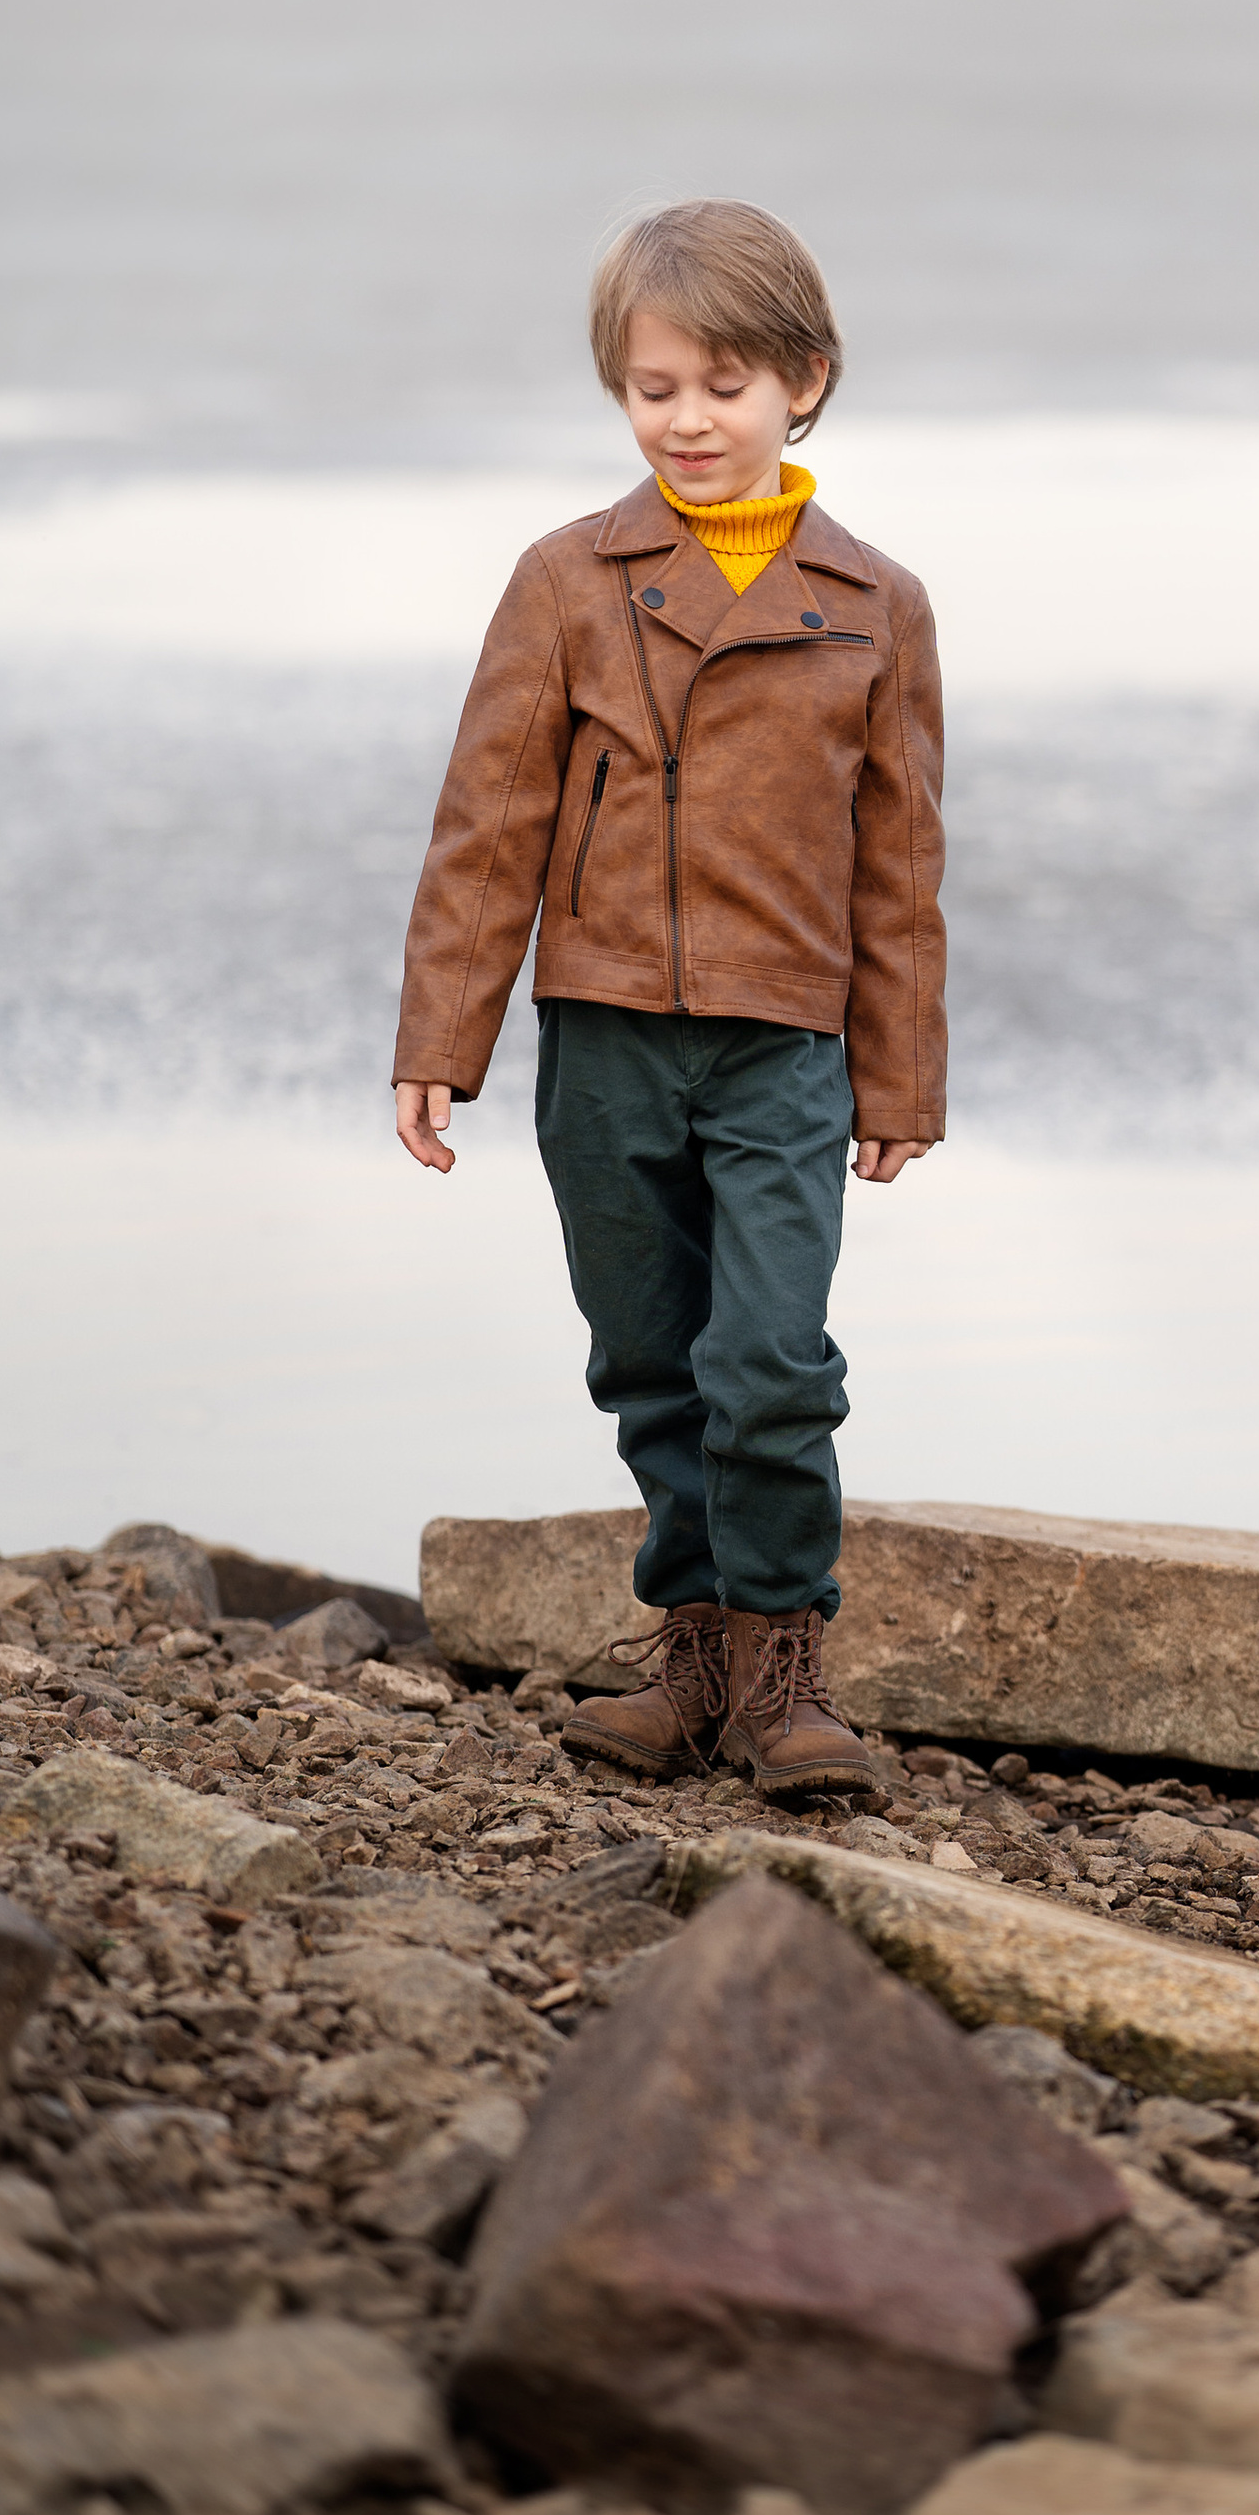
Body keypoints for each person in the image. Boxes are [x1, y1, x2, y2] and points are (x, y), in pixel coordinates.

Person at [390, 200, 944, 1793]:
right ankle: (690, 1651)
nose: (688, 420)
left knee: (769, 1359)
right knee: (647, 1356)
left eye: (723, 385)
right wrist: (445, 1036)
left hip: (786, 1045)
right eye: (653, 390)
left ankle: (786, 1674)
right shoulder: (567, 577)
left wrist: (900, 1081)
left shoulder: (876, 602)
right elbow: (488, 824)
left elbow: (900, 869)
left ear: (806, 384)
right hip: (607, 1033)